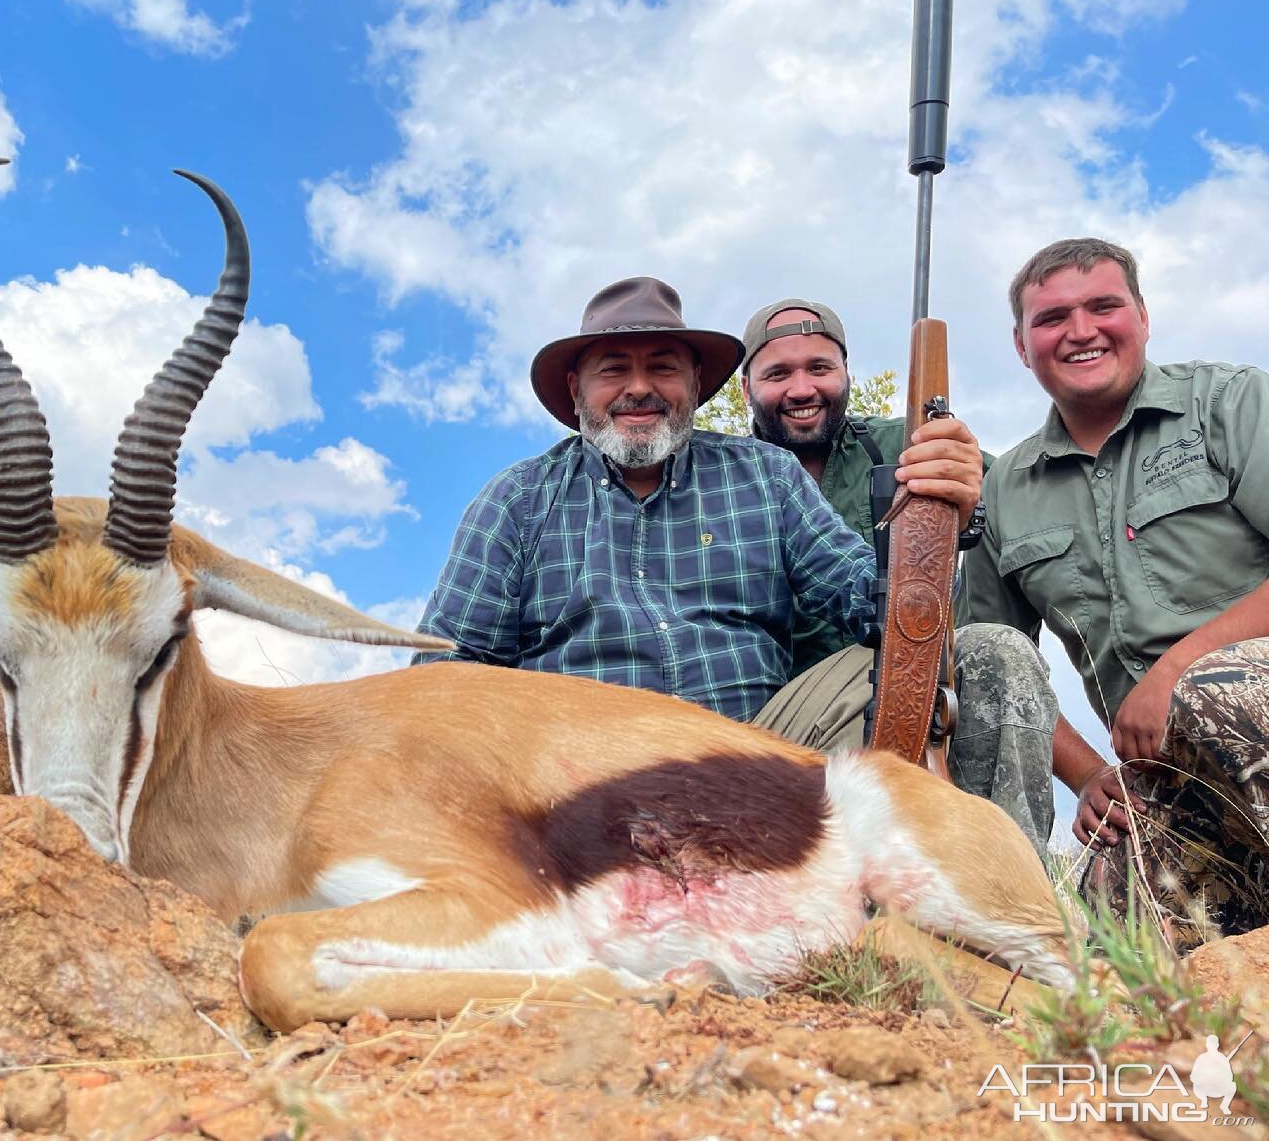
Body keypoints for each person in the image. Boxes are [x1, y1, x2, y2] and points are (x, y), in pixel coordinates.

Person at [416, 275, 978, 747]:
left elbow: (868, 599)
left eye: (662, 367)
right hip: (576, 767)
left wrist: (932, 520)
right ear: (576, 387)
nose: (639, 388)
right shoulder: (517, 499)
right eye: (613, 369)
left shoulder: (766, 476)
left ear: (695, 383)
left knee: (975, 655)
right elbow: (444, 671)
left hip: (758, 751)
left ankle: (984, 874)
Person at [961, 236, 1269, 946]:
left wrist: (1175, 670)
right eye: (1052, 318)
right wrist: (1090, 773)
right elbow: (985, 664)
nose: (1080, 331)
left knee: (1207, 689)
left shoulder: (1227, 403)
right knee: (1107, 913)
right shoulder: (1004, 487)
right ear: (1021, 344)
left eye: (1104, 305)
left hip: (1243, 702)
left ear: (1143, 315)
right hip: (1168, 780)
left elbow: (1188, 685)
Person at [739, 298, 1058, 857]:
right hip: (793, 726)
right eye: (777, 374)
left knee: (996, 652)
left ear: (845, 374)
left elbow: (1024, 495)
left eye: (819, 368)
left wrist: (968, 498)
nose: (801, 389)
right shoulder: (721, 480)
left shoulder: (906, 444)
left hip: (915, 689)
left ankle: (1017, 883)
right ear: (746, 389)